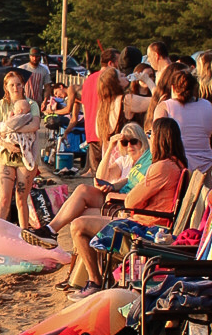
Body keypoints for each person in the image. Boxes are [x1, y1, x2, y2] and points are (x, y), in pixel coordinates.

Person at [62, 119, 189, 296]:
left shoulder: (161, 167)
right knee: (83, 215)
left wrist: (128, 196)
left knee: (78, 226)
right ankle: (94, 279)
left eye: (151, 135)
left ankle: (95, 282)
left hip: (144, 229)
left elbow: (130, 202)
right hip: (149, 222)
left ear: (160, 138)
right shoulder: (177, 164)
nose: (149, 139)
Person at [153, 68, 212, 176]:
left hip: (177, 165)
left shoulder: (165, 107)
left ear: (172, 87)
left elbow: (156, 136)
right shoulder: (208, 106)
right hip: (206, 165)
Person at [0, 69, 39, 228]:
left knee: (21, 198)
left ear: (23, 85)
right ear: (7, 87)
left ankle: (24, 232)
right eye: (12, 85)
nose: (16, 88)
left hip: (26, 155)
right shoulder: (1, 106)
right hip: (5, 155)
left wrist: (11, 130)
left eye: (18, 84)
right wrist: (6, 143)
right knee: (3, 199)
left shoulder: (31, 104)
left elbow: (35, 125)